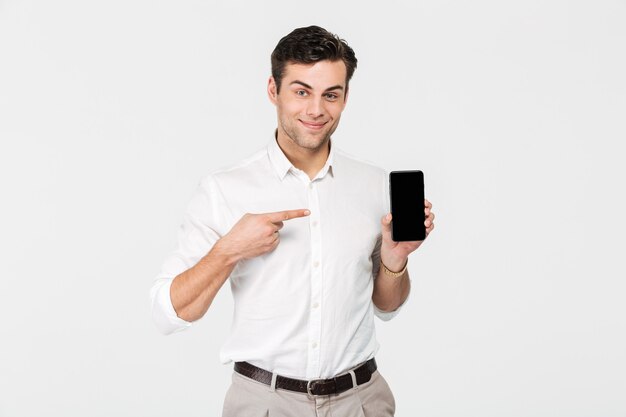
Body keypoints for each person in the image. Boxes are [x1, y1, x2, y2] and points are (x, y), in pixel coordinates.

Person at [150, 25, 435, 417]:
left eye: (330, 95)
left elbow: (387, 306)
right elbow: (168, 313)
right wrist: (229, 250)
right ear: (274, 91)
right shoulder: (225, 190)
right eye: (301, 92)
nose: (316, 110)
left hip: (361, 401)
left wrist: (395, 257)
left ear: (345, 97)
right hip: (264, 403)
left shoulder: (372, 185)